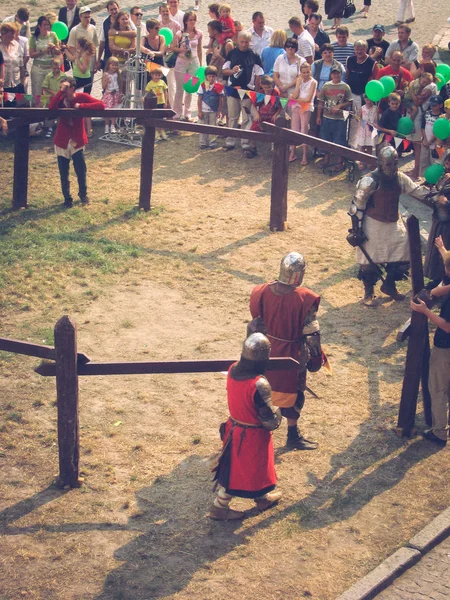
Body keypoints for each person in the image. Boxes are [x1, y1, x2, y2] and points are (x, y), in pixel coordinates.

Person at [249, 252, 324, 450]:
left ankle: (257, 433)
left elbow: (255, 325)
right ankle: (292, 434)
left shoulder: (261, 291)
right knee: (294, 392)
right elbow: (311, 333)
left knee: (262, 390)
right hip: (292, 353)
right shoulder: (304, 297)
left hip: (264, 350)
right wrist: (316, 358)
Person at [209, 333, 282, 521]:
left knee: (256, 469)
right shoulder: (258, 384)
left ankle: (262, 498)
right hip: (251, 436)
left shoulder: (233, 369)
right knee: (235, 472)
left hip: (234, 428)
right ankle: (219, 507)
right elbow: (270, 421)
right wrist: (281, 410)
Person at [347, 146, 427, 305]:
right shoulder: (369, 181)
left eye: (395, 164)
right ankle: (368, 293)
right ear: (380, 163)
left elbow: (417, 191)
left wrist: (435, 191)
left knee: (403, 255)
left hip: (393, 223)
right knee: (370, 261)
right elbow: (356, 206)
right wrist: (357, 230)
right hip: (373, 224)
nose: (392, 167)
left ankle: (389, 285)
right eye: (388, 164)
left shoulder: (400, 178)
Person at [410, 240, 450, 447]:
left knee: (438, 389)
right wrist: (442, 249)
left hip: (446, 348)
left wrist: (426, 311)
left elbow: (448, 326)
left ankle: (440, 433)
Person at [49, 77, 105, 208]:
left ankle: (83, 195)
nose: (62, 90)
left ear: (72, 88)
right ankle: (67, 199)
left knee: (80, 170)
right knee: (64, 172)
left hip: (77, 139)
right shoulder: (60, 99)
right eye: (61, 87)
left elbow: (101, 105)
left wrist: (81, 106)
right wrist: (60, 92)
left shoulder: (82, 97)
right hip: (62, 139)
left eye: (65, 88)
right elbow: (51, 108)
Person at [222, 31, 263, 152]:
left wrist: (255, 92)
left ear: (249, 42)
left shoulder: (254, 55)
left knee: (246, 119)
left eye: (246, 42)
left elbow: (259, 75)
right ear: (237, 41)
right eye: (242, 42)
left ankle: (245, 144)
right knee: (232, 117)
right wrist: (232, 71)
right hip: (233, 91)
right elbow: (224, 70)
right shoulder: (232, 54)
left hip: (247, 92)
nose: (244, 44)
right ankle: (230, 142)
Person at [316, 65, 352, 170]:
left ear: (341, 74)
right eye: (334, 73)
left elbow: (350, 101)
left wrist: (340, 106)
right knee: (326, 139)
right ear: (331, 74)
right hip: (326, 117)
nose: (336, 75)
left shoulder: (345, 87)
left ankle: (339, 163)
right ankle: (326, 160)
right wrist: (318, 116)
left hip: (340, 119)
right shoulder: (326, 86)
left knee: (339, 140)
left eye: (338, 73)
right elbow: (321, 101)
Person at [170, 10, 202, 121]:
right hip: (181, 61)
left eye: (194, 20)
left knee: (190, 89)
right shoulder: (179, 34)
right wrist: (181, 49)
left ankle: (187, 113)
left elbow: (199, 50)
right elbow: (172, 47)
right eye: (190, 20)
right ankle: (176, 112)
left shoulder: (199, 33)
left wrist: (200, 64)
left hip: (194, 62)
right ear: (186, 21)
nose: (192, 22)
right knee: (179, 89)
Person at [346, 40, 375, 149]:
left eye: (361, 49)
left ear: (366, 50)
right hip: (351, 94)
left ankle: (361, 146)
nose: (359, 51)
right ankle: (351, 144)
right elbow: (347, 76)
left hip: (364, 96)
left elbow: (373, 80)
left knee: (362, 122)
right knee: (352, 120)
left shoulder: (372, 63)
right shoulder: (350, 60)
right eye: (357, 49)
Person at [310, 43, 344, 138]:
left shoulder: (339, 66)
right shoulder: (315, 64)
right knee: (314, 121)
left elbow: (342, 83)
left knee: (328, 124)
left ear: (333, 53)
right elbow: (310, 80)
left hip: (332, 98)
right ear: (321, 54)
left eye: (329, 52)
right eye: (325, 52)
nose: (327, 54)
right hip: (317, 95)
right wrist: (317, 92)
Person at [246, 74, 281, 159]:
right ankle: (253, 148)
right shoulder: (260, 94)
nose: (267, 89)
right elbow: (254, 105)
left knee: (276, 132)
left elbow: (280, 106)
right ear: (262, 86)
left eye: (269, 87)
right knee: (253, 130)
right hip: (261, 116)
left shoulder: (276, 93)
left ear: (272, 86)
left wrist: (276, 115)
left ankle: (276, 149)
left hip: (272, 116)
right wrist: (257, 114)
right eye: (265, 87)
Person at [289, 62, 317, 164]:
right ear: (300, 72)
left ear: (310, 71)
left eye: (307, 72)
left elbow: (308, 99)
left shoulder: (313, 82)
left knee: (304, 130)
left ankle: (304, 155)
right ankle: (292, 152)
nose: (305, 74)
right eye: (303, 72)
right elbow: (294, 94)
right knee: (294, 129)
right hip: (296, 106)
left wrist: (296, 98)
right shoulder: (299, 80)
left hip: (306, 108)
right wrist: (298, 83)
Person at [97, 1, 136, 71]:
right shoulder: (105, 23)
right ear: (108, 11)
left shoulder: (127, 20)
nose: (114, 11)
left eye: (115, 8)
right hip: (110, 55)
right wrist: (98, 59)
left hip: (127, 58)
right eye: (111, 10)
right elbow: (102, 42)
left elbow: (134, 33)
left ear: (119, 8)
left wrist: (117, 33)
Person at [29, 16, 60, 101]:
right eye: (44, 25)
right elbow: (31, 54)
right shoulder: (34, 38)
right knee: (37, 93)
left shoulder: (53, 35)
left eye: (48, 25)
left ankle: (50, 111)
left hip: (50, 68)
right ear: (39, 26)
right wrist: (43, 51)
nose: (47, 27)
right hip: (38, 69)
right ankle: (37, 111)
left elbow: (58, 52)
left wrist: (54, 48)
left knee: (51, 92)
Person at [197, 65, 224, 149]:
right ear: (206, 77)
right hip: (204, 110)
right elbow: (199, 98)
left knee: (213, 126)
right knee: (203, 126)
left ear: (216, 76)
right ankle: (203, 142)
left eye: (213, 76)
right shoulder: (202, 86)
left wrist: (219, 111)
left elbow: (221, 99)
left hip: (214, 110)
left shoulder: (219, 86)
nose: (211, 78)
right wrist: (199, 111)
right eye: (209, 76)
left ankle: (212, 142)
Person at [0, 22, 25, 104]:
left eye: (15, 33)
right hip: (3, 84)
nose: (14, 36)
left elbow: (21, 64)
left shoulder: (16, 45)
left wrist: (22, 80)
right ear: (4, 33)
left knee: (16, 106)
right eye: (11, 33)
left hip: (16, 82)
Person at [420, 95, 445, 177]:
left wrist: (430, 141)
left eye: (435, 105)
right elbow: (422, 127)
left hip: (435, 144)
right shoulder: (426, 114)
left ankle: (433, 179)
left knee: (434, 162)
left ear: (440, 105)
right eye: (431, 105)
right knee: (423, 161)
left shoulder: (441, 118)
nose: (433, 107)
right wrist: (425, 140)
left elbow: (438, 131)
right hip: (425, 142)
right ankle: (423, 178)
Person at [42, 58, 66, 138]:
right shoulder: (49, 76)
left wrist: (60, 92)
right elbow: (44, 87)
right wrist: (53, 92)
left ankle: (59, 128)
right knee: (50, 114)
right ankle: (49, 128)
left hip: (60, 99)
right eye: (54, 68)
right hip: (51, 98)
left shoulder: (63, 76)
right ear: (51, 67)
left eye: (58, 68)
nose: (56, 69)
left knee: (60, 113)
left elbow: (65, 86)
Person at [145, 67, 169, 141]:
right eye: (156, 75)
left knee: (161, 117)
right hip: (154, 103)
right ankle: (156, 132)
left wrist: (166, 102)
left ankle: (162, 131)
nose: (157, 77)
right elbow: (147, 93)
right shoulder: (150, 84)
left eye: (159, 75)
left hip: (161, 102)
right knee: (155, 117)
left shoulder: (162, 82)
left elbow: (165, 92)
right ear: (152, 75)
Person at [355, 95, 377, 169]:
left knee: (369, 146)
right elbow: (359, 118)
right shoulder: (362, 108)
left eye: (370, 100)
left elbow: (377, 119)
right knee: (362, 146)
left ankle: (369, 161)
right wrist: (356, 117)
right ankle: (361, 161)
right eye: (367, 100)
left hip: (371, 130)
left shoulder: (375, 108)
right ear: (364, 99)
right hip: (363, 129)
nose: (369, 102)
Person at [102, 56, 123, 134]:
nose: (114, 67)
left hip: (116, 93)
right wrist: (106, 81)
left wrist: (120, 93)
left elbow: (120, 84)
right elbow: (103, 87)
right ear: (109, 65)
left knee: (114, 110)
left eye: (116, 65)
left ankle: (113, 126)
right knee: (107, 110)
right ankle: (106, 126)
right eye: (113, 65)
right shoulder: (106, 74)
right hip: (109, 94)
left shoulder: (118, 74)